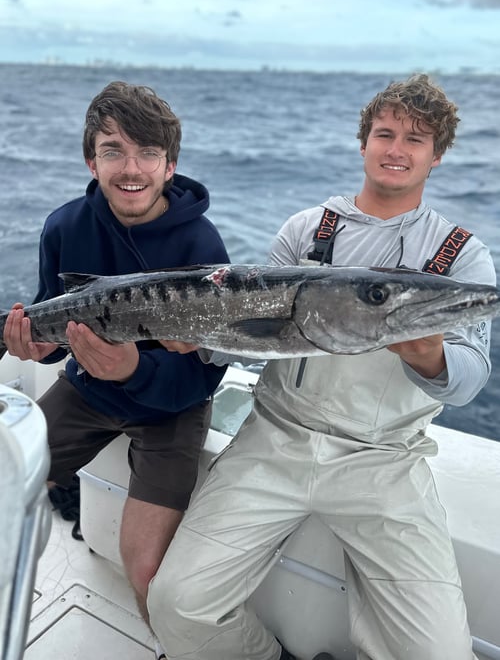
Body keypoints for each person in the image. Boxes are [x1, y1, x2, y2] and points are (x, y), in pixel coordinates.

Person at [147, 74, 496, 660]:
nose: (396, 149)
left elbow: (469, 378)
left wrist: (429, 354)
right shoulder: (307, 230)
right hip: (276, 440)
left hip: (385, 461)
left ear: (438, 155)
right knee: (176, 603)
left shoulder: (462, 256)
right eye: (384, 133)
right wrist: (200, 340)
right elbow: (251, 337)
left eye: (416, 139)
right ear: (363, 143)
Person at [2, 81, 232, 653]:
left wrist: (133, 370)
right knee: (6, 489)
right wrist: (35, 349)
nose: (131, 168)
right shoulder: (64, 227)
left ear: (170, 164)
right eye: (113, 150)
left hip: (172, 406)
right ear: (91, 158)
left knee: (147, 568)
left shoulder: (203, 244)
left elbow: (207, 370)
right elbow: (54, 334)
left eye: (148, 153)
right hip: (87, 391)